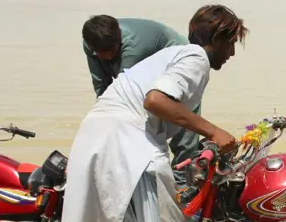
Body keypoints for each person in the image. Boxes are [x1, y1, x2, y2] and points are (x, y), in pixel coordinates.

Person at [62, 5, 248, 222]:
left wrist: (196, 154)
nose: (232, 53)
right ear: (217, 39)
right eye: (232, 43)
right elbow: (156, 102)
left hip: (93, 138)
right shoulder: (195, 58)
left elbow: (165, 119)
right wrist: (214, 132)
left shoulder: (169, 55)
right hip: (127, 143)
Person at [82, 15, 200, 184]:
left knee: (182, 129)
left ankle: (182, 183)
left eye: (111, 52)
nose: (107, 58)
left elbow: (127, 95)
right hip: (135, 59)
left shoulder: (133, 47)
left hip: (175, 61)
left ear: (119, 42)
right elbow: (102, 87)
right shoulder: (90, 42)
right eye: (100, 53)